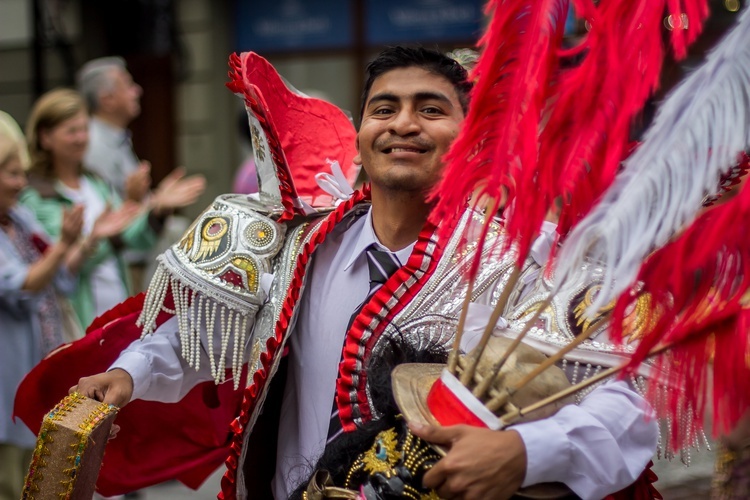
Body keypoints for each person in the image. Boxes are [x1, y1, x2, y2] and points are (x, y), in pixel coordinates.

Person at [69, 47, 656, 500]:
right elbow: (212, 333)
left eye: (431, 109)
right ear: (362, 133)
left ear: (472, 136)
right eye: (384, 108)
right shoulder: (302, 244)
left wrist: (524, 453)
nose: (403, 124)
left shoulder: (526, 264)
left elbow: (624, 413)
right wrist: (129, 375)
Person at [20, 88, 204, 329]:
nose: (81, 138)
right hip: (75, 318)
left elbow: (132, 238)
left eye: (84, 129)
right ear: (45, 137)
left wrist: (157, 210)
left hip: (115, 307)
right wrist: (100, 237)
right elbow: (61, 267)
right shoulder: (36, 196)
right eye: (71, 131)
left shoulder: (94, 183)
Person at [0, 117, 84, 500]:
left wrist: (92, 238)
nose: (21, 183)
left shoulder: (19, 218)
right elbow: (22, 284)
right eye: (11, 173)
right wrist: (65, 244)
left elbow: (58, 276)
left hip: (33, 366)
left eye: (21, 173)